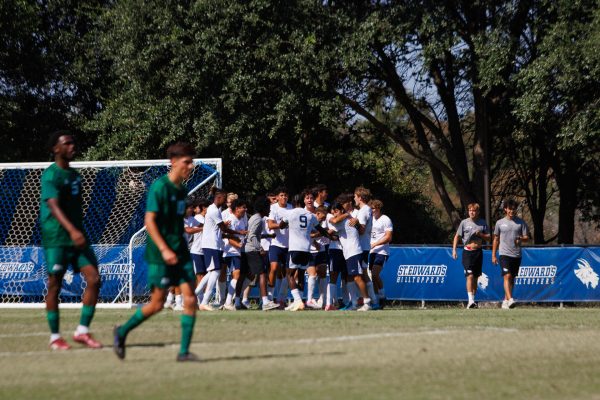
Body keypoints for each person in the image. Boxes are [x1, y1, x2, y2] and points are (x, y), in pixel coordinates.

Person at [113, 142, 199, 362]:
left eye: (192, 162)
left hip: (179, 251)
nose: (191, 166)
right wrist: (164, 248)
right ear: (173, 162)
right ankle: (122, 331)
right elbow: (149, 221)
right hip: (161, 253)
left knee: (190, 299)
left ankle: (183, 352)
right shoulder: (159, 187)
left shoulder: (182, 190)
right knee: (157, 304)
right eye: (186, 162)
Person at [41, 131, 102, 350]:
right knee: (54, 284)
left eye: (73, 142)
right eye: (67, 143)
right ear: (56, 149)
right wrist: (71, 230)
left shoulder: (76, 176)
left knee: (94, 279)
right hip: (56, 238)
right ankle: (55, 337)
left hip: (77, 237)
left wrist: (78, 231)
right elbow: (53, 205)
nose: (72, 146)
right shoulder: (51, 175)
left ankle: (82, 332)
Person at [196, 189, 246, 311]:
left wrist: (229, 230)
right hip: (211, 245)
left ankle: (195, 294)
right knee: (216, 272)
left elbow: (221, 230)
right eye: (225, 198)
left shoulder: (216, 210)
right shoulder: (213, 210)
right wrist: (238, 232)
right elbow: (223, 228)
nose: (226, 202)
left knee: (212, 272)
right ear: (219, 198)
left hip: (215, 245)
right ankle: (204, 301)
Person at [283, 195, 332, 311]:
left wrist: (287, 224)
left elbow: (281, 225)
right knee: (300, 275)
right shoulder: (310, 215)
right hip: (307, 249)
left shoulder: (290, 213)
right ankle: (298, 302)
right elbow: (321, 230)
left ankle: (299, 301)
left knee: (289, 275)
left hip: (295, 248)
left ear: (294, 203)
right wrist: (331, 236)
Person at [329, 194, 373, 311]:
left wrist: (328, 219)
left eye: (336, 211)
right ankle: (354, 304)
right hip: (350, 253)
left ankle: (367, 303)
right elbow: (334, 231)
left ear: (341, 210)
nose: (334, 214)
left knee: (358, 277)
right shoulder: (347, 219)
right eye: (333, 212)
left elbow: (333, 222)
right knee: (351, 277)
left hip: (354, 252)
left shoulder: (343, 221)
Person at [491, 199, 530, 309]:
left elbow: (526, 237)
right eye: (509, 209)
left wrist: (521, 238)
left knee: (511, 278)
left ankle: (505, 300)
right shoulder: (499, 223)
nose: (512, 211)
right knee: (507, 276)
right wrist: (494, 255)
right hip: (504, 253)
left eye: (513, 209)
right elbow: (496, 239)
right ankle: (511, 299)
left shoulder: (521, 223)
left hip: (516, 254)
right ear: (505, 209)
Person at [244, 197, 280, 311]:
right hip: (253, 250)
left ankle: (236, 297)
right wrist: (260, 248)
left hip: (250, 249)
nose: (270, 210)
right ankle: (265, 302)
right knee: (262, 274)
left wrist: (268, 236)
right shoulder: (258, 219)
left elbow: (254, 234)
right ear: (263, 208)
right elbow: (252, 236)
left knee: (250, 276)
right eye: (268, 207)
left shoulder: (256, 218)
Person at [452, 203, 490, 309]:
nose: (471, 212)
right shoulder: (464, 223)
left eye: (474, 210)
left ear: (478, 212)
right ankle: (470, 300)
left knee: (476, 277)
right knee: (470, 275)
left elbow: (488, 238)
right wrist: (454, 250)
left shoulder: (482, 223)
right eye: (470, 210)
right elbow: (457, 237)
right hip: (467, 252)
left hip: (478, 252)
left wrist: (481, 234)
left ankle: (472, 301)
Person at [267, 187, 293, 307]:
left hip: (289, 246)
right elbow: (270, 225)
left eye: (286, 195)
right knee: (273, 268)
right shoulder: (273, 208)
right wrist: (280, 225)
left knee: (287, 273)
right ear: (277, 197)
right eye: (281, 195)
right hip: (276, 244)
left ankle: (281, 299)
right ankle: (269, 298)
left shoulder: (291, 208)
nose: (284, 197)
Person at [354, 187, 379, 309]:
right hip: (364, 246)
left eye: (355, 196)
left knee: (361, 274)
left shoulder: (364, 210)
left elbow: (362, 230)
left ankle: (368, 302)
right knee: (364, 273)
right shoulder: (366, 209)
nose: (354, 198)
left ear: (360, 198)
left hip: (362, 246)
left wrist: (355, 224)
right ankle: (373, 300)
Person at [222, 198, 248, 310]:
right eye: (243, 207)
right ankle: (227, 302)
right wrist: (240, 246)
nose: (245, 210)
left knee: (240, 276)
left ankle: (234, 301)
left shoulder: (242, 220)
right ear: (237, 209)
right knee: (236, 276)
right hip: (230, 252)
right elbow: (228, 238)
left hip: (237, 252)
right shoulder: (231, 220)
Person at [369, 199, 393, 309]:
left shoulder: (385, 219)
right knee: (372, 277)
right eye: (370, 208)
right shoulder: (370, 219)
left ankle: (383, 297)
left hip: (382, 252)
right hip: (371, 251)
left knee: (374, 274)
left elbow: (388, 237)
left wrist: (375, 244)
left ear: (378, 208)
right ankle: (377, 300)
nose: (371, 210)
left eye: (373, 208)